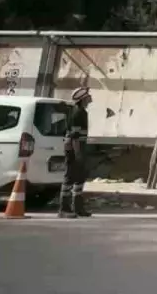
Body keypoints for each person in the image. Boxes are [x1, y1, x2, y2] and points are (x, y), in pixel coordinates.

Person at [58, 86, 93, 219]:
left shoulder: (81, 111)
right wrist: (79, 155)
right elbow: (75, 136)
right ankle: (64, 209)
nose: (90, 98)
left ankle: (78, 207)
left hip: (79, 148)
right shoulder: (78, 113)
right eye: (88, 96)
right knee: (70, 177)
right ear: (82, 99)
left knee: (79, 178)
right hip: (74, 149)